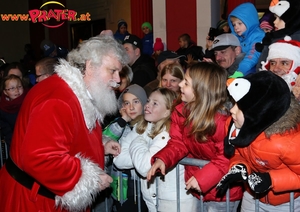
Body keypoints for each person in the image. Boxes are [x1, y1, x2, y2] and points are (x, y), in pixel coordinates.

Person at [0, 35, 129, 212]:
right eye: (112, 71)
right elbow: (41, 159)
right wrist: (91, 179)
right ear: (90, 66)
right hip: (36, 201)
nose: (118, 79)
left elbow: (64, 136)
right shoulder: (58, 99)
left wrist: (99, 145)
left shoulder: (74, 91)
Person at [147, 62, 242, 211]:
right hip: (199, 188)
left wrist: (203, 178)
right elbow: (179, 143)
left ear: (201, 90)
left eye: (186, 82)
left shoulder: (222, 121)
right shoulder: (181, 113)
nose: (180, 85)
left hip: (223, 192)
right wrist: (163, 158)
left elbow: (227, 157)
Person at [216, 71, 300, 211]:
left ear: (259, 112)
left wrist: (270, 179)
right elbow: (238, 153)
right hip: (251, 196)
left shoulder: (286, 141)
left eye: (240, 107)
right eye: (234, 103)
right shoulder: (235, 125)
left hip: (285, 203)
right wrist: (240, 166)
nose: (232, 110)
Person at [115, 87, 197, 212]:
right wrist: (143, 155)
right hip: (153, 198)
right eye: (148, 101)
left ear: (166, 112)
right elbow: (118, 160)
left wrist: (139, 140)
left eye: (155, 103)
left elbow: (144, 167)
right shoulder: (142, 125)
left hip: (175, 201)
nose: (147, 105)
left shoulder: (169, 134)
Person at [102, 84, 148, 212]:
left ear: (144, 104)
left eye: (136, 102)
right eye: (127, 103)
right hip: (121, 188)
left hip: (142, 187)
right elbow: (104, 138)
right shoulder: (120, 124)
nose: (131, 107)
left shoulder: (150, 124)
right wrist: (123, 120)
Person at [256, 0, 300, 71]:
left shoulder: (297, 38)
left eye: (279, 18)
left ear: (291, 20)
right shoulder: (271, 38)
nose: (274, 22)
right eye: (275, 18)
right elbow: (260, 67)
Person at [228, 2, 265, 76]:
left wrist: (240, 71)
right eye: (234, 24)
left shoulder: (258, 35)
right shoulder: (236, 36)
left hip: (253, 70)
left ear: (249, 21)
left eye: (239, 23)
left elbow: (252, 55)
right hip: (237, 68)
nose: (236, 27)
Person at [0, 75, 28, 151]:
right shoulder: (2, 108)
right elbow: (6, 130)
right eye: (12, 88)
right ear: (5, 92)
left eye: (19, 87)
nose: (17, 90)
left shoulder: (29, 100)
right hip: (14, 143)